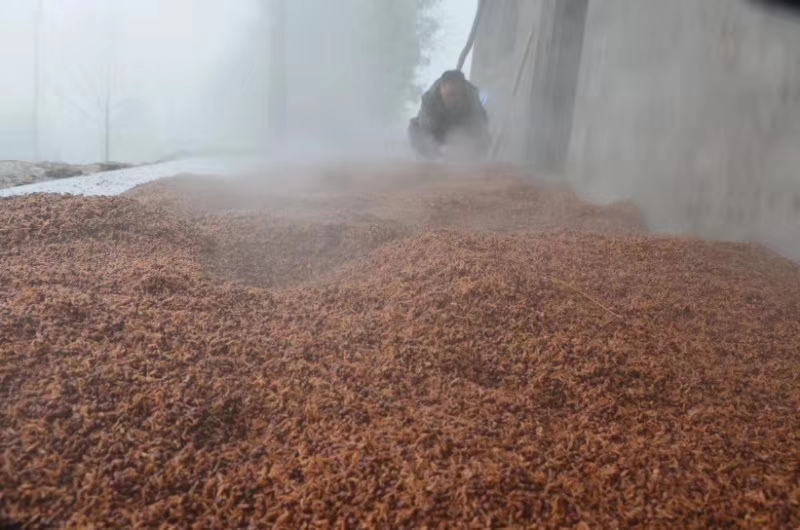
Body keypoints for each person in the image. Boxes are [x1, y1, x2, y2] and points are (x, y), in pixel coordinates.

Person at [408, 70, 491, 161]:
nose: (451, 100)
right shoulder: (429, 99)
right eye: (448, 95)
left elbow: (481, 124)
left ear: (462, 90)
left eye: (454, 95)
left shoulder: (472, 97)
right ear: (441, 88)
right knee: (414, 129)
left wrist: (464, 146)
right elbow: (426, 127)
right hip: (437, 132)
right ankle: (430, 165)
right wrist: (438, 148)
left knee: (484, 138)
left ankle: (472, 166)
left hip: (463, 133)